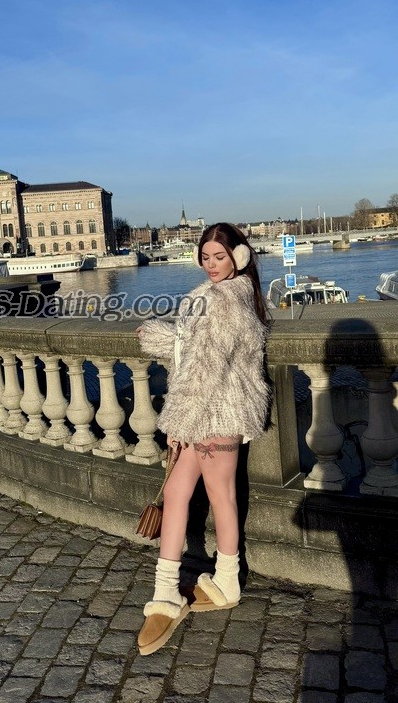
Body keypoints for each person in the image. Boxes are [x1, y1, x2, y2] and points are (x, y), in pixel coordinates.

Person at [135, 222, 270, 656]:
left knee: (219, 494)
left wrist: (179, 423)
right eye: (206, 257)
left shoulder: (223, 301)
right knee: (179, 492)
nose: (212, 264)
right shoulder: (220, 295)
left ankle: (225, 580)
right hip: (208, 410)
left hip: (218, 410)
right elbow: (191, 347)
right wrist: (158, 336)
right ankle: (166, 588)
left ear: (239, 258)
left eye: (220, 257)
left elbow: (204, 371)